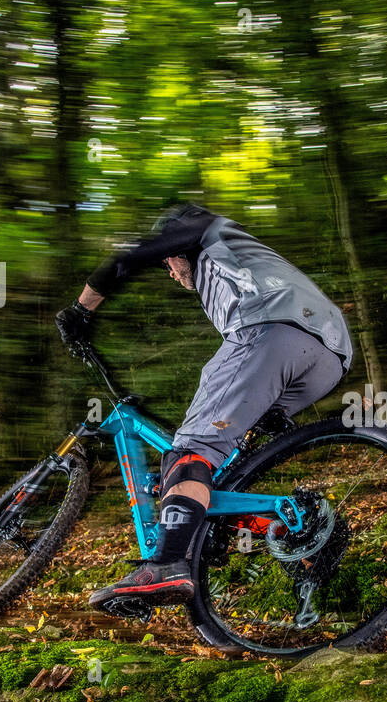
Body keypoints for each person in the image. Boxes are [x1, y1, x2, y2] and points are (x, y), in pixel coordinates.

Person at [55, 202, 353, 611]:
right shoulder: (241, 259)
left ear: (175, 247)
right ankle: (289, 528)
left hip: (268, 331)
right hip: (330, 355)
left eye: (169, 265)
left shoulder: (202, 229)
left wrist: (81, 310)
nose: (173, 274)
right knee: (228, 462)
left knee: (189, 451)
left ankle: (166, 563)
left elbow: (127, 257)